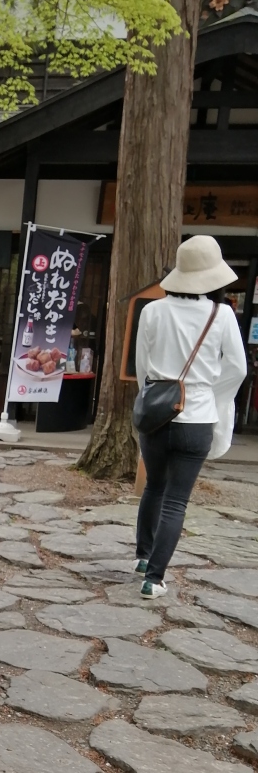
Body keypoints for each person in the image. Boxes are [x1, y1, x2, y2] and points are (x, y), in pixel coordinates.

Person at [134, 235, 247, 598]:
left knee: (154, 486)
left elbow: (142, 367)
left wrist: (152, 399)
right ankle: (154, 579)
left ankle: (142, 557)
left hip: (155, 415)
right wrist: (212, 396)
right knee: (176, 500)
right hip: (197, 418)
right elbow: (238, 368)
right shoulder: (221, 314)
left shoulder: (152, 310)